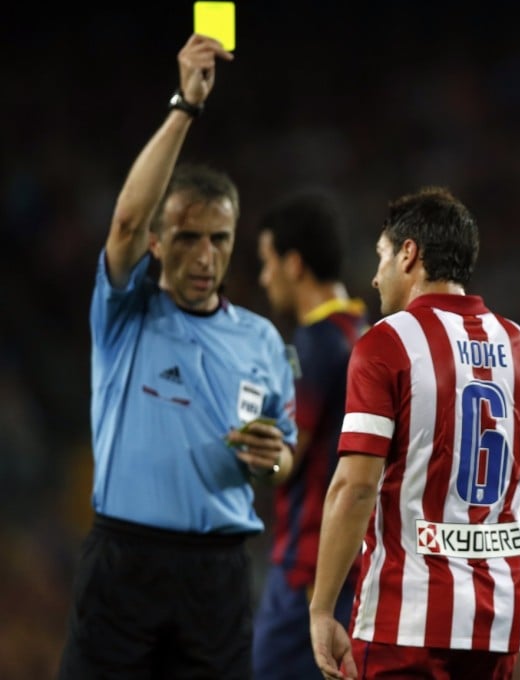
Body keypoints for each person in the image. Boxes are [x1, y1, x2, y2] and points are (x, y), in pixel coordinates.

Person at [58, 34, 298, 679]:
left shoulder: (262, 342)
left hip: (216, 575)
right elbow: (124, 222)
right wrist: (184, 107)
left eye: (218, 239)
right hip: (123, 564)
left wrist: (277, 458)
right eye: (187, 238)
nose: (204, 255)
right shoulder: (124, 314)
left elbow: (288, 453)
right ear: (159, 244)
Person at [308, 186, 520, 680]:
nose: (375, 278)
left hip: (405, 619)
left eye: (381, 257)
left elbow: (355, 487)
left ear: (409, 254)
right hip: (497, 620)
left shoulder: (385, 343)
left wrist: (321, 608)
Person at [253, 190, 370, 678]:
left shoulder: (311, 343)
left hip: (309, 567)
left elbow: (288, 458)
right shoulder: (366, 334)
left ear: (294, 263)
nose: (264, 278)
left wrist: (251, 448)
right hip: (357, 563)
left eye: (267, 262)